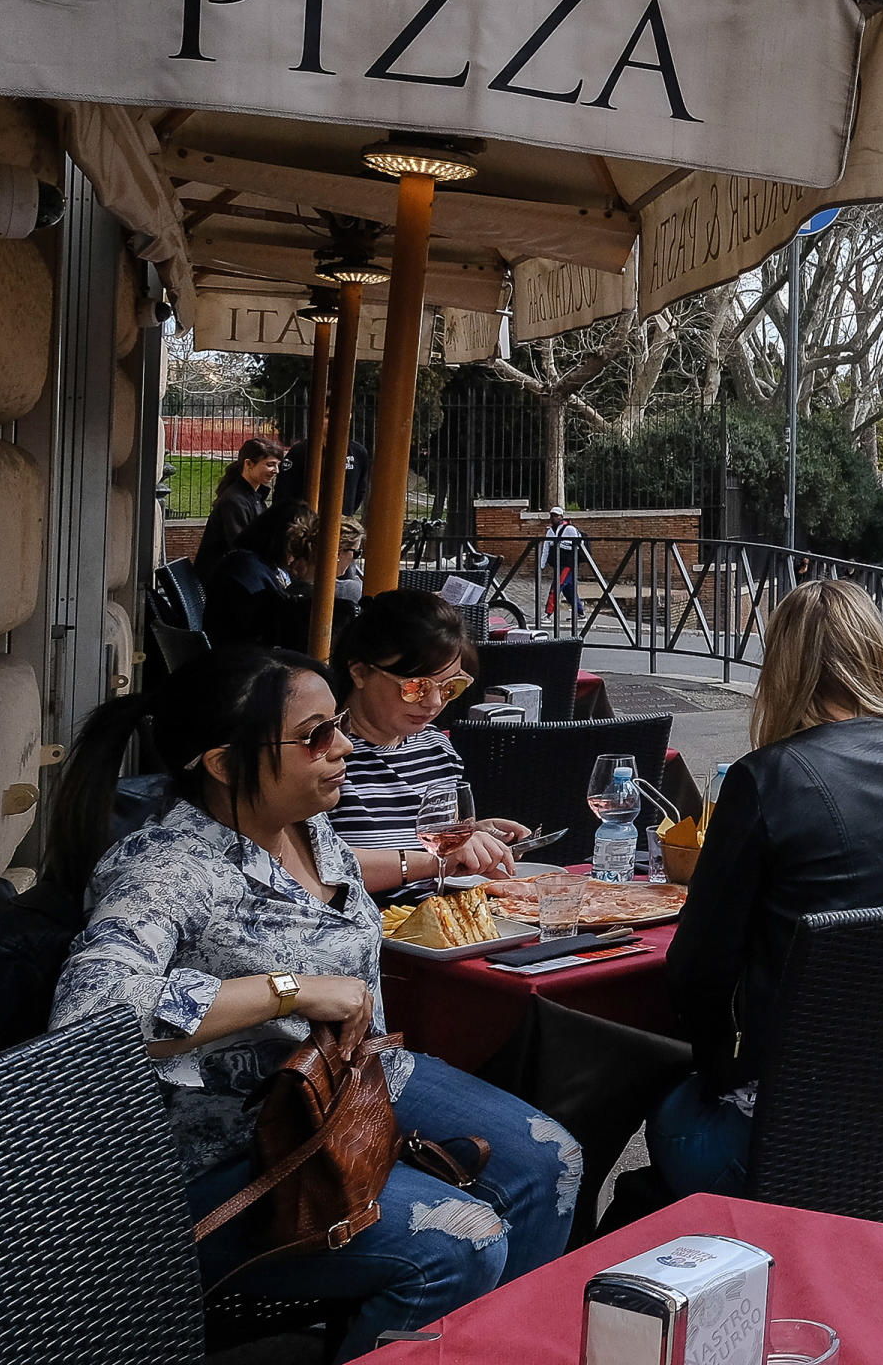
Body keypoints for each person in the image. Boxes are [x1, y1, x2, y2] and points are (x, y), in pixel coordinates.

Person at [52, 645, 578, 1352]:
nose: (343, 748)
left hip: (351, 1087)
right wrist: (286, 991)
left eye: (338, 726)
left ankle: (500, 1347)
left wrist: (436, 854)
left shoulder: (300, 824)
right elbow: (93, 1011)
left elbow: (332, 885)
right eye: (315, 736)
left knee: (552, 1163)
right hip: (227, 1149)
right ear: (221, 762)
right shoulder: (168, 870)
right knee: (464, 1243)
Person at [653, 579, 883, 1196]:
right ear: (876, 656)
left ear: (782, 666)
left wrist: (721, 1074)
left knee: (668, 1114)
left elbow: (697, 972)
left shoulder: (764, 780)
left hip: (793, 1124)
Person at [329, 592, 524, 900]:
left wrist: (475, 838)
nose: (433, 703)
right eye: (415, 687)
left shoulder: (437, 750)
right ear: (360, 672)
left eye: (451, 687)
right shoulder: (325, 755)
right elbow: (313, 866)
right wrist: (436, 862)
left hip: (438, 927)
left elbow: (432, 839)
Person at [202, 496, 320, 651]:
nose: (297, 555)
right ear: (286, 541)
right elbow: (278, 628)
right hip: (239, 661)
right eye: (298, 547)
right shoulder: (249, 572)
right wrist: (307, 580)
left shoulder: (246, 563)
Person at [194, 436, 283, 573]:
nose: (276, 470)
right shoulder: (234, 501)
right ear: (248, 464)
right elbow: (242, 550)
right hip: (222, 582)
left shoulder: (252, 497)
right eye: (270, 464)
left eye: (277, 465)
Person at [541, 507, 582, 624]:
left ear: (561, 517)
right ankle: (580, 612)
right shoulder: (550, 531)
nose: (553, 517)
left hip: (568, 564)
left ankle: (547, 613)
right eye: (552, 515)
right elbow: (546, 548)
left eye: (556, 515)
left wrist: (560, 544)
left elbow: (577, 545)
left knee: (556, 587)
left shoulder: (570, 529)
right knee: (569, 591)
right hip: (558, 565)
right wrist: (541, 565)